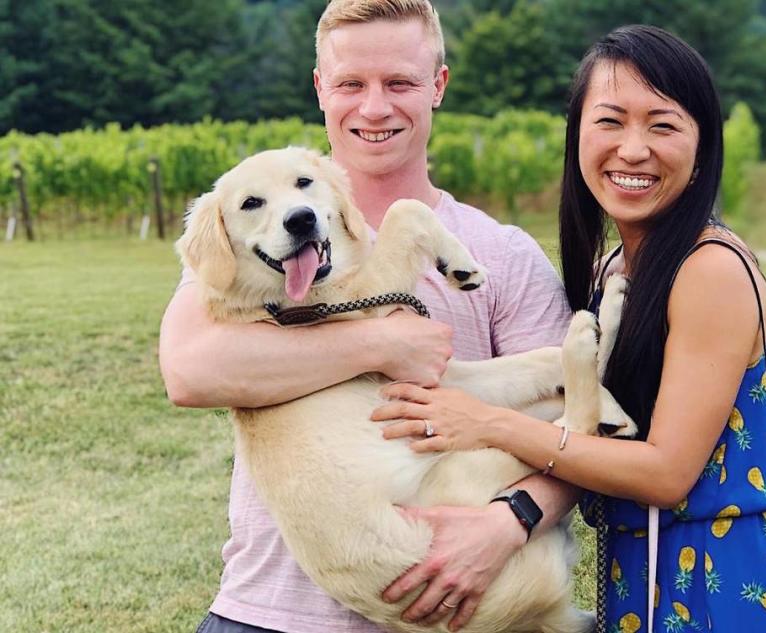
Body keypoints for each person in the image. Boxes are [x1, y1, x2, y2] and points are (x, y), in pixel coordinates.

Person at [372, 25, 766, 633]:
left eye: (662, 125)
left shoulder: (710, 269)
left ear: (702, 146)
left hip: (729, 590)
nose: (633, 149)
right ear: (578, 135)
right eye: (610, 121)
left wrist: (486, 421)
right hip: (641, 577)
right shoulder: (616, 269)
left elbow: (667, 473)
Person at [158, 1, 575, 632]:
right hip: (266, 614)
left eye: (400, 82)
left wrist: (511, 517)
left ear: (438, 85)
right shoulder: (253, 241)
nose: (374, 107)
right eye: (352, 83)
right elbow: (190, 372)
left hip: (456, 607)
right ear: (320, 86)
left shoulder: (503, 253)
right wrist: (382, 345)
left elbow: (580, 429)